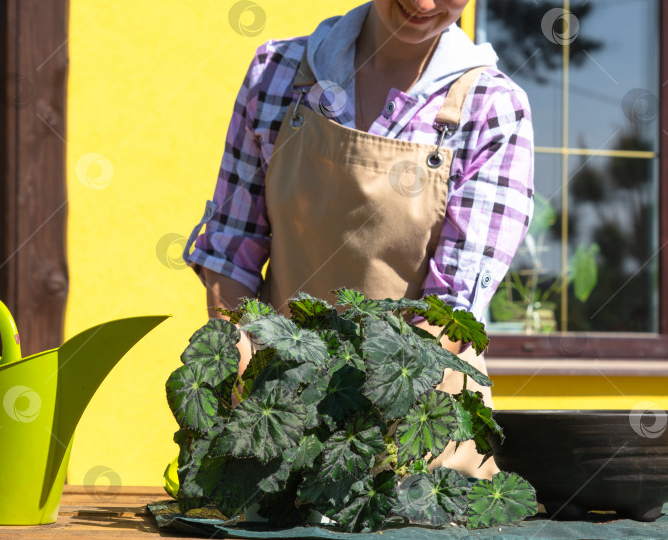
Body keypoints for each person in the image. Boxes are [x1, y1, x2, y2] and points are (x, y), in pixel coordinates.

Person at [183, 0, 534, 478]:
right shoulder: (278, 74)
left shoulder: (491, 108)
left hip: (417, 429)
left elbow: (451, 307)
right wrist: (242, 362)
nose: (425, 4)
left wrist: (359, 427)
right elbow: (233, 247)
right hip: (277, 408)